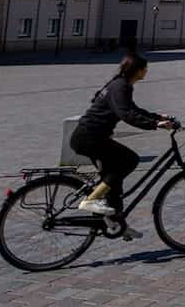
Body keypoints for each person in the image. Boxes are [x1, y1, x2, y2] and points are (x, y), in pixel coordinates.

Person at [72, 53, 176, 239]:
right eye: (145, 68)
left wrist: (157, 117)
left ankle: (118, 223)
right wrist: (153, 125)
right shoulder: (120, 87)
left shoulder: (121, 84)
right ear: (137, 70)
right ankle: (92, 199)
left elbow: (132, 109)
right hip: (89, 137)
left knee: (114, 182)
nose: (147, 71)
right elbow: (126, 114)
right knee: (129, 160)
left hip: (92, 136)